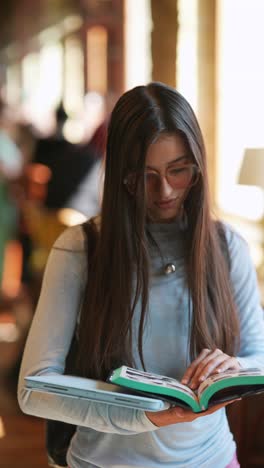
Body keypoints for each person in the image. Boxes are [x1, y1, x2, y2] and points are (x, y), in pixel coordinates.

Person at [18, 82, 264, 468]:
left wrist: (235, 369)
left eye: (178, 170)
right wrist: (146, 416)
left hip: (213, 458)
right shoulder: (80, 249)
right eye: (144, 176)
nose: (164, 190)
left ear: (198, 164)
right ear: (120, 176)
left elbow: (259, 354)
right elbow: (34, 390)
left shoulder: (227, 246)